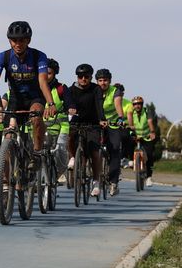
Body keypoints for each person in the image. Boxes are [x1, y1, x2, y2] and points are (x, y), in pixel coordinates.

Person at [0, 21, 56, 167]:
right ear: (9, 41)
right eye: (14, 40)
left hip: (35, 97)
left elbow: (43, 81)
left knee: (36, 117)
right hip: (15, 99)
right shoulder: (3, 57)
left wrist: (51, 103)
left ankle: (36, 153)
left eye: (22, 40)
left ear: (28, 40)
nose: (18, 44)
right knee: (9, 137)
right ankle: (9, 180)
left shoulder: (39, 56)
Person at [67, 64, 105, 197]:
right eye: (80, 76)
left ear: (90, 77)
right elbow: (69, 101)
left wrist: (102, 119)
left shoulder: (96, 89)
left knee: (95, 152)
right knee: (70, 134)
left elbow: (99, 104)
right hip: (77, 121)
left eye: (86, 77)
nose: (83, 79)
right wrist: (70, 107)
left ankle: (96, 182)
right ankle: (72, 156)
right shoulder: (71, 89)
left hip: (93, 123)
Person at [95, 68, 125, 196]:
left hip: (112, 124)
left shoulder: (115, 91)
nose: (103, 83)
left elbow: (118, 104)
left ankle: (113, 182)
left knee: (115, 148)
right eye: (100, 80)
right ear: (96, 81)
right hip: (97, 122)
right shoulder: (94, 90)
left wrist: (120, 118)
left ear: (110, 81)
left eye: (105, 80)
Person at [45, 58, 74, 183]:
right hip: (41, 127)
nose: (46, 76)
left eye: (49, 73)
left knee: (61, 154)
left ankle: (55, 176)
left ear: (55, 74)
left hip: (61, 127)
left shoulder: (61, 89)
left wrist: (71, 108)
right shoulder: (36, 88)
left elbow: (69, 102)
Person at [127, 96, 157, 187]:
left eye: (139, 104)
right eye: (135, 104)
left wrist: (152, 132)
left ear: (142, 104)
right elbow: (130, 124)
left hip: (146, 136)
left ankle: (149, 177)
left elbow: (150, 121)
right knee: (128, 143)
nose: (137, 106)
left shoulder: (147, 111)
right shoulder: (131, 113)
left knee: (150, 155)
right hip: (135, 136)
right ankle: (130, 160)